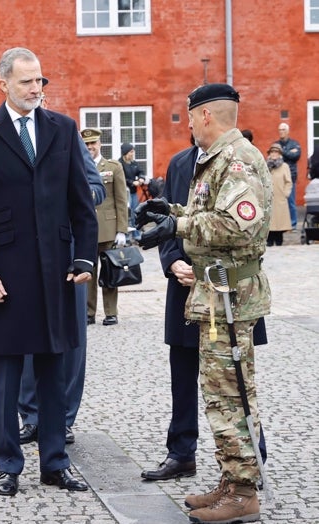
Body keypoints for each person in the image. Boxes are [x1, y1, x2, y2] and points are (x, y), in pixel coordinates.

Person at [0, 47, 97, 497]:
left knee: (55, 372)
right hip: (4, 276)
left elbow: (81, 204)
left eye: (40, 82)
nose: (36, 89)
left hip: (57, 273)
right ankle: (8, 466)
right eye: (26, 82)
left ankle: (55, 462)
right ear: (3, 84)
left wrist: (84, 258)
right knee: (7, 376)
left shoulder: (63, 129)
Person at [136, 83, 271, 524]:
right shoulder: (215, 161)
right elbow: (206, 212)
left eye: (191, 116)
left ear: (207, 116)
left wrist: (178, 226)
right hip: (214, 297)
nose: (188, 122)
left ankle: (244, 493)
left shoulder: (238, 160)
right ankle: (231, 481)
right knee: (219, 395)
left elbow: (237, 225)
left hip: (232, 299)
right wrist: (168, 212)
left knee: (233, 396)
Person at [17, 125, 106, 447]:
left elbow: (96, 187)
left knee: (71, 337)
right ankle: (30, 416)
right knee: (25, 335)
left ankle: (64, 417)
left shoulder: (65, 135)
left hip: (65, 249)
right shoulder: (5, 139)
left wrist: (73, 194)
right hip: (22, 251)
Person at [82, 128, 128, 326]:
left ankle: (111, 312)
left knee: (109, 273)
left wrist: (122, 230)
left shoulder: (113, 167)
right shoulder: (79, 166)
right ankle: (88, 312)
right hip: (86, 230)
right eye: (87, 144)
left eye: (93, 143)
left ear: (100, 144)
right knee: (87, 274)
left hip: (109, 230)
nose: (90, 147)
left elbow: (121, 200)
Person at [266, 142, 293, 246]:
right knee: (270, 220)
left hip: (280, 196)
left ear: (279, 154)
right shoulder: (266, 164)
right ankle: (269, 240)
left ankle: (279, 241)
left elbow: (288, 181)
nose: (273, 154)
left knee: (280, 221)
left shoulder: (284, 166)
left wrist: (286, 193)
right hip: (269, 197)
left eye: (276, 152)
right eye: (272, 152)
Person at [276, 122, 301, 229]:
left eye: (283, 130)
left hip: (291, 175)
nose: (281, 132)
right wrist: (288, 152)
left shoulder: (294, 144)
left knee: (291, 201)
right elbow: (273, 157)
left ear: (287, 131)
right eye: (280, 130)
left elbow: (296, 155)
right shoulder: (275, 144)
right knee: (278, 202)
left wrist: (282, 152)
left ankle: (293, 224)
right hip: (277, 177)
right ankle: (280, 225)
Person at [120, 142, 145, 240]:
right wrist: (132, 182)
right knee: (126, 215)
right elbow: (121, 178)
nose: (132, 153)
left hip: (133, 193)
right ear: (126, 153)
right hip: (124, 193)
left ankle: (136, 235)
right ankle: (125, 236)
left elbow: (141, 172)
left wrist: (141, 178)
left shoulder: (134, 163)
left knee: (136, 213)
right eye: (131, 151)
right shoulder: (120, 164)